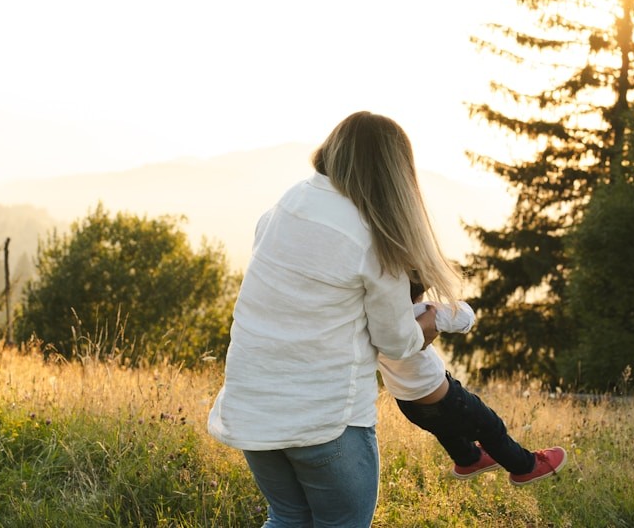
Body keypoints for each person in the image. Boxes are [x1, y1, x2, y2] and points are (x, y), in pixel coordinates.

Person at [207, 111, 461, 527]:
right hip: (326, 421)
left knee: (287, 517)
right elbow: (396, 343)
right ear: (396, 175)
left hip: (253, 408)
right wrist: (435, 320)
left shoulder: (288, 203)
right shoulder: (374, 236)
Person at [377, 280, 567, 485]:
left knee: (443, 428)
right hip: (443, 396)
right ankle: (526, 467)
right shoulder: (421, 311)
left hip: (407, 403)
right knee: (490, 426)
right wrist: (439, 307)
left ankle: (469, 459)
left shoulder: (375, 319)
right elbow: (465, 317)